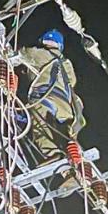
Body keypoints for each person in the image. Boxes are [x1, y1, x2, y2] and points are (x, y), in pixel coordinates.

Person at [18, 28, 85, 164]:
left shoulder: (38, 54)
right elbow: (72, 83)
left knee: (41, 130)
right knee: (65, 138)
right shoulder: (67, 65)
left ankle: (54, 154)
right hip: (66, 107)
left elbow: (17, 54)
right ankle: (75, 171)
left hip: (44, 99)